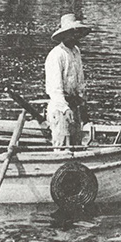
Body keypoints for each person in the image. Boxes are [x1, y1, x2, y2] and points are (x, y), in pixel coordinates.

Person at [45, 13, 91, 149]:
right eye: (73, 33)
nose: (76, 37)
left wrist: (82, 103)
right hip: (60, 108)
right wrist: (65, 109)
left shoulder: (76, 52)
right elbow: (54, 89)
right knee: (62, 144)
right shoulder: (56, 55)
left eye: (77, 33)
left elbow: (80, 81)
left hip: (74, 104)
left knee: (76, 143)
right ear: (65, 35)